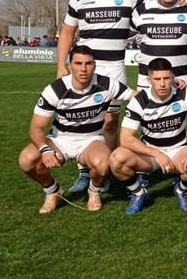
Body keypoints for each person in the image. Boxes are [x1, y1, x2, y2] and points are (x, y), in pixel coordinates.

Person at [55, 0, 143, 195]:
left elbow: (157, 8)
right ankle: (85, 173)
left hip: (114, 68)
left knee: (110, 122)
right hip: (85, 68)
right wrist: (61, 66)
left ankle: (107, 171)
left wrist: (185, 2)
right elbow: (67, 32)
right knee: (84, 120)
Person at [17, 45, 132, 213]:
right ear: (70, 65)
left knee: (103, 163)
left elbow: (138, 97)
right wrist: (45, 149)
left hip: (91, 140)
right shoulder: (55, 90)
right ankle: (52, 191)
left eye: (88, 63)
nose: (83, 69)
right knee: (26, 160)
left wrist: (172, 86)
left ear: (95, 64)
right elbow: (36, 128)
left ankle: (93, 191)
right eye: (78, 63)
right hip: (60, 139)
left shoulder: (107, 84)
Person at [108, 58, 187, 215]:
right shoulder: (139, 101)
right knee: (116, 159)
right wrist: (157, 154)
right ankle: (139, 193)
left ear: (173, 77)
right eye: (157, 79)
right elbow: (126, 138)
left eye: (166, 78)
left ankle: (181, 190)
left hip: (178, 149)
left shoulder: (185, 95)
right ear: (149, 79)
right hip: (150, 154)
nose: (162, 83)